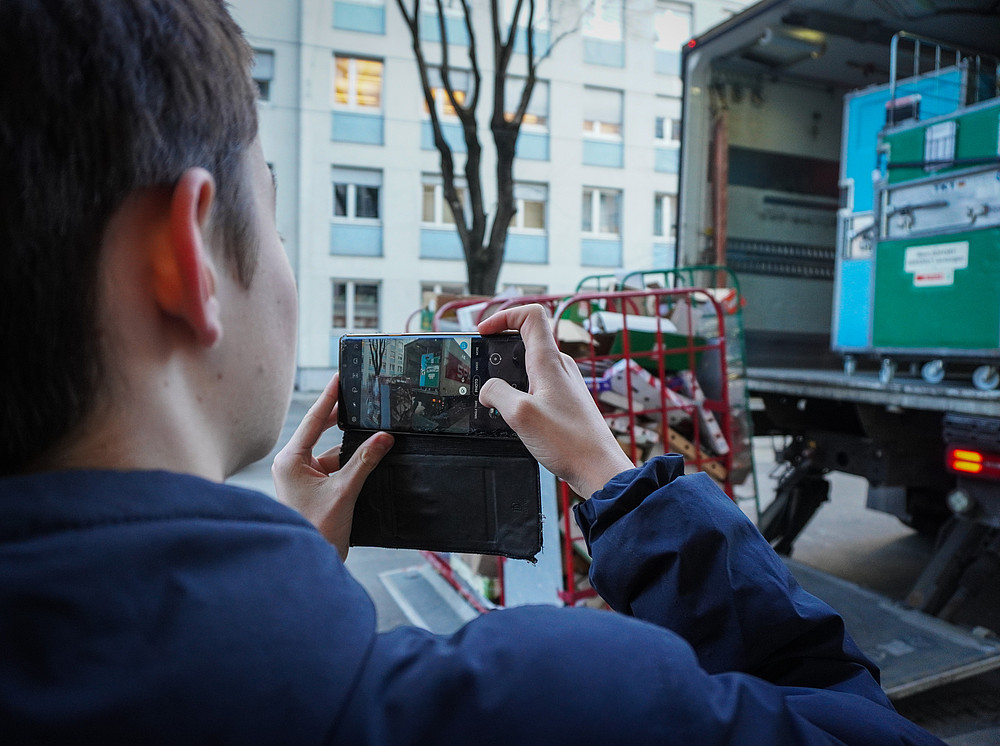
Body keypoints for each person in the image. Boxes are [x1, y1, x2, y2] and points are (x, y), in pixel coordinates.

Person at [0, 0, 942, 743]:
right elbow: (860, 725)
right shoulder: (562, 704)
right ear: (185, 262)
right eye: (278, 221)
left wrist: (291, 572)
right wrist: (621, 488)